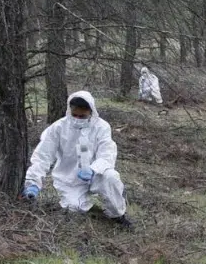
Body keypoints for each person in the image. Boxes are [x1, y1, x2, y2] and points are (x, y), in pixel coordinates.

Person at [22, 91, 133, 229]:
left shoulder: (101, 127)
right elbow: (42, 156)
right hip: (69, 179)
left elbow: (107, 153)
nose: (78, 119)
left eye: (82, 116)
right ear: (70, 110)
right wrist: (33, 182)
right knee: (75, 208)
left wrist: (93, 169)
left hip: (96, 174)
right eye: (75, 115)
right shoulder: (58, 128)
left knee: (111, 177)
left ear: (91, 111)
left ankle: (117, 215)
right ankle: (86, 205)